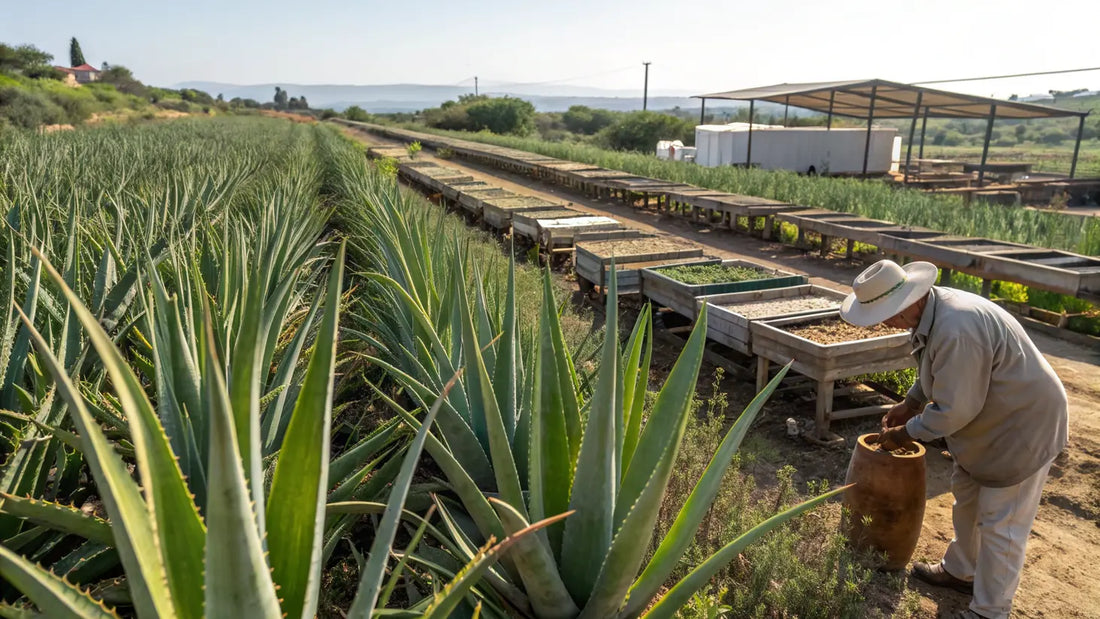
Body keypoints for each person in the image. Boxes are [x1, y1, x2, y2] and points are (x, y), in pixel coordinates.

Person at [839, 259, 1068, 619]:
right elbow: (937, 365)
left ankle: (990, 611)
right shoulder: (932, 312)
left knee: (1001, 522)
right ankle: (962, 571)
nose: (885, 322)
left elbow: (954, 411)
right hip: (991, 419)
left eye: (887, 314)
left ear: (909, 300)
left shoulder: (958, 326)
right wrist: (911, 402)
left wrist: (905, 432)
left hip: (1022, 424)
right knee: (968, 498)